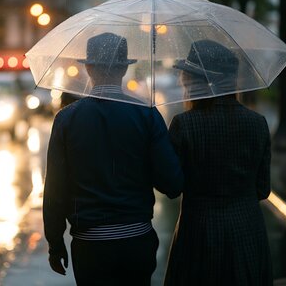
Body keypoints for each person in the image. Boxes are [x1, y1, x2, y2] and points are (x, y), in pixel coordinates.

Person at [43, 32, 183, 285]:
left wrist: (55, 243)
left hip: (89, 244)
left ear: (88, 68)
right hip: (136, 240)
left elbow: (55, 190)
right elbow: (172, 184)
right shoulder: (147, 115)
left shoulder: (66, 119)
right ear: (123, 69)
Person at [164, 40, 273, 285]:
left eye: (187, 75)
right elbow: (263, 189)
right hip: (248, 231)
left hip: (198, 234)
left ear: (197, 81)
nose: (182, 80)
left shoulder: (184, 124)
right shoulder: (258, 123)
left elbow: (171, 186)